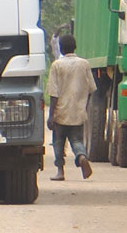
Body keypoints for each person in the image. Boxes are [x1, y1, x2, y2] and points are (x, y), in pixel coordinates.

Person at [46, 34, 96, 181]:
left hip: (61, 111)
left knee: (58, 143)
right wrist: (83, 106)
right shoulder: (84, 64)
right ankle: (81, 156)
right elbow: (91, 89)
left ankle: (60, 171)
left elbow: (53, 92)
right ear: (75, 47)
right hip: (78, 111)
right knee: (77, 140)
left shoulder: (57, 65)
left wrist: (51, 115)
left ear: (60, 48)